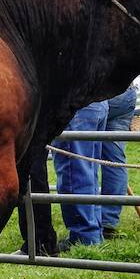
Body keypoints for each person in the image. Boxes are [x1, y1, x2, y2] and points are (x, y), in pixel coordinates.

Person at [52, 98, 109, 249]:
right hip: (97, 102)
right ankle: (93, 233)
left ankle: (84, 236)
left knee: (73, 171)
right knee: (89, 170)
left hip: (76, 104)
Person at [99, 83, 139, 239]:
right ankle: (108, 221)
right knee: (115, 159)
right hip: (126, 92)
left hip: (100, 90)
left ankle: (88, 224)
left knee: (84, 154)